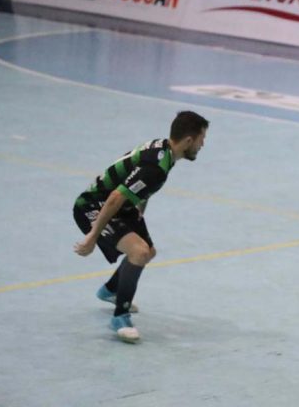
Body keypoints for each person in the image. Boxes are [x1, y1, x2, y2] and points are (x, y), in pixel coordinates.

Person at [73, 111, 209, 343]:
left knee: (148, 251)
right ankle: (120, 317)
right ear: (188, 140)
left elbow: (140, 186)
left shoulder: (164, 151)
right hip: (94, 206)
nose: (202, 145)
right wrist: (93, 235)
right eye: (201, 139)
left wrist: (139, 210)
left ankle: (111, 290)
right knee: (139, 252)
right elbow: (116, 197)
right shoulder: (156, 167)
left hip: (122, 206)